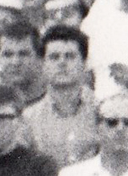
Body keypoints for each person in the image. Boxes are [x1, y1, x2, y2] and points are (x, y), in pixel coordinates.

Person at [25, 24, 102, 168]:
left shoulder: (102, 112)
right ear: (43, 64)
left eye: (70, 56)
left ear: (84, 63)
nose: (62, 63)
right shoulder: (28, 119)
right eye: (54, 57)